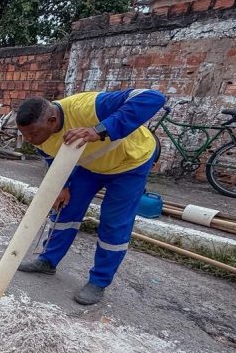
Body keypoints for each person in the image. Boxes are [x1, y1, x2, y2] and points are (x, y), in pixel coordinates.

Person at [15, 89, 166, 305]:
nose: (29, 140)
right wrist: (62, 185)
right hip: (88, 165)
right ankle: (48, 260)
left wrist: (100, 129)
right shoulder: (39, 135)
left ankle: (99, 281)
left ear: (52, 120)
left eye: (33, 134)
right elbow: (51, 157)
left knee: (114, 223)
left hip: (129, 163)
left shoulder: (88, 106)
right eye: (25, 135)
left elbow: (154, 97)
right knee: (65, 209)